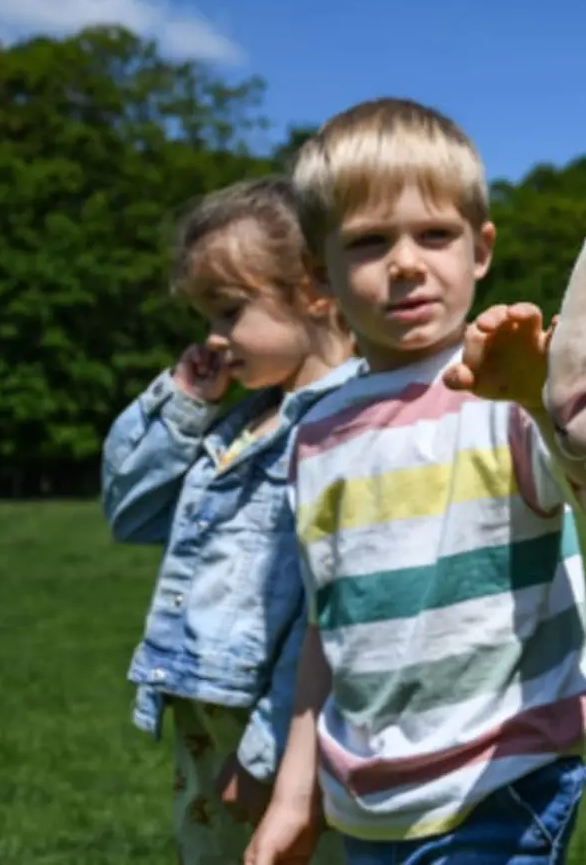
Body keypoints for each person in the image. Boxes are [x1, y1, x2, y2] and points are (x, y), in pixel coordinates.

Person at [244, 98, 586, 865]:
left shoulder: (503, 389)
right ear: (320, 274)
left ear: (480, 249)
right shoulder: (314, 436)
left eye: (434, 234)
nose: (406, 263)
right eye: (368, 242)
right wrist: (297, 794)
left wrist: (535, 395)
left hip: (502, 779)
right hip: (368, 803)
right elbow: (328, 630)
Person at [101, 175, 359, 865]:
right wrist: (184, 405)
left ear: (315, 289)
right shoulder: (239, 424)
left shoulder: (345, 428)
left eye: (228, 312)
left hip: (277, 735)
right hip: (206, 725)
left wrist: (267, 754)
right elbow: (130, 511)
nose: (214, 340)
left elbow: (328, 613)